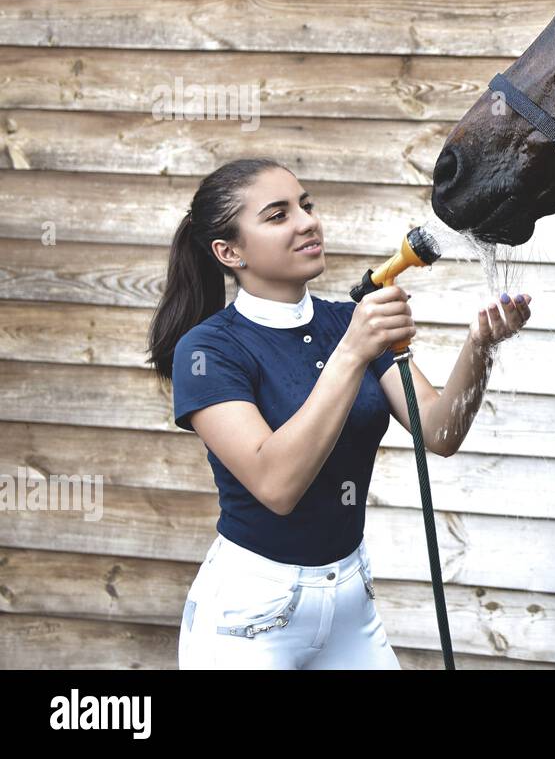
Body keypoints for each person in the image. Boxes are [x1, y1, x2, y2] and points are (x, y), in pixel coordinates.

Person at [147, 157, 531, 668]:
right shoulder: (208, 350)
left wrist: (480, 346)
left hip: (351, 601)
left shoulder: (347, 322)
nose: (307, 222)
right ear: (229, 251)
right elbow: (276, 485)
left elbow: (438, 432)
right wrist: (351, 352)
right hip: (250, 617)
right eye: (278, 215)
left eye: (306, 205)